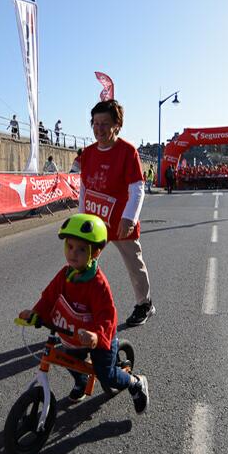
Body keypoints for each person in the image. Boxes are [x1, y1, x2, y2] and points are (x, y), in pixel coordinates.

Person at [17, 214, 149, 412]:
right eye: (70, 247)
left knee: (106, 374)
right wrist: (36, 313)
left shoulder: (98, 284)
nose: (73, 254)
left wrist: (96, 335)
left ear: (95, 252)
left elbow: (106, 315)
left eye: (81, 249)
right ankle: (81, 381)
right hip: (75, 333)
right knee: (68, 358)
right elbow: (49, 297)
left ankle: (135, 383)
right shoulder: (65, 274)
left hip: (99, 335)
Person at [80, 99, 154, 326]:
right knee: (82, 265)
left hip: (121, 222)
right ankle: (82, 308)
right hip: (94, 222)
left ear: (117, 126)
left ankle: (144, 304)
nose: (99, 129)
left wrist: (129, 218)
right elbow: (84, 188)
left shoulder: (127, 151)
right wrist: (81, 217)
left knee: (134, 264)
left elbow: (137, 188)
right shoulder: (88, 153)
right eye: (95, 123)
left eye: (105, 124)